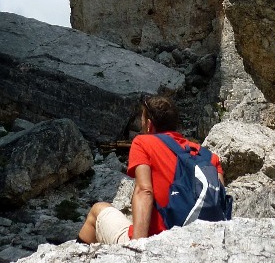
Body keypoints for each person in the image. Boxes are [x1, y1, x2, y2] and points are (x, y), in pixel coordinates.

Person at [77, 94, 224, 244]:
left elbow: (144, 190)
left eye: (141, 120)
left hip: (157, 241)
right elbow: (220, 202)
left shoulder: (143, 143)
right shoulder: (209, 157)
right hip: (203, 243)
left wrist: (137, 246)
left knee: (98, 210)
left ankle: (76, 259)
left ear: (148, 124)